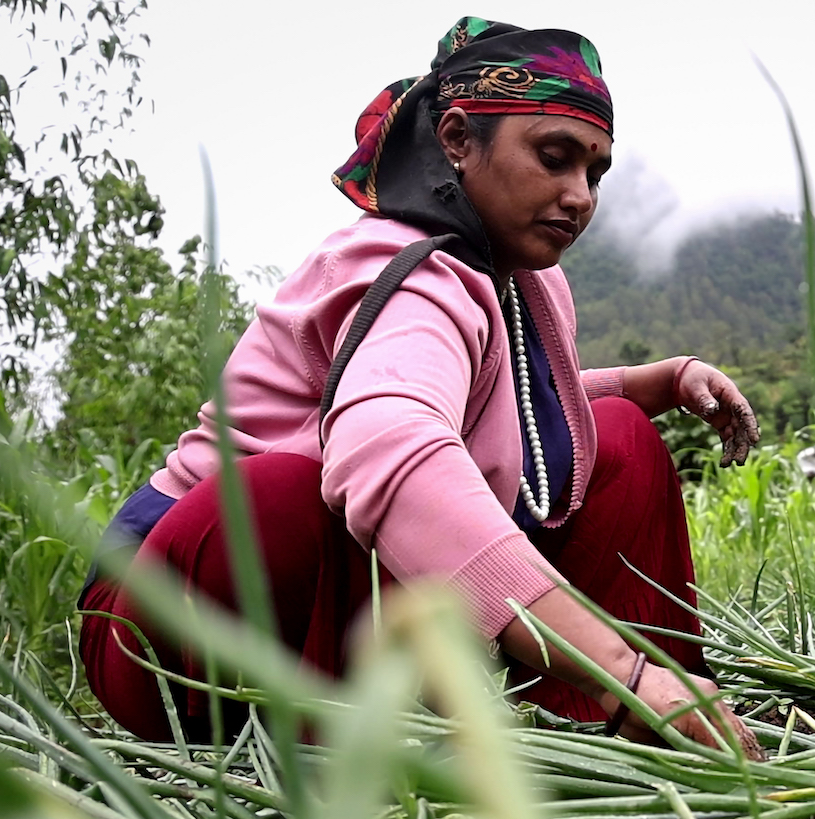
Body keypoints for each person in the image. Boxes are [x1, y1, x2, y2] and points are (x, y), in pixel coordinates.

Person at [76, 16, 762, 758]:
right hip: (167, 626)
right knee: (284, 494)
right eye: (554, 158)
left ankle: (633, 723)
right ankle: (332, 770)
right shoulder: (403, 269)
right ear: (458, 140)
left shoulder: (525, 280)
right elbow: (391, 447)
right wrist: (615, 668)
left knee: (621, 433)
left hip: (358, 609)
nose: (579, 196)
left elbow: (497, 405)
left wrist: (647, 381)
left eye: (593, 172)